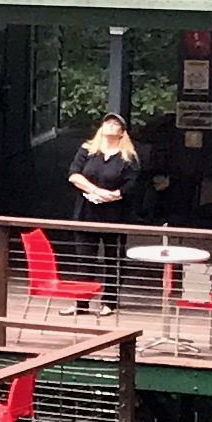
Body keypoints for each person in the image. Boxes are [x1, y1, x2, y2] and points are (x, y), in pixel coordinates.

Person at [68, 109, 144, 304]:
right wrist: (96, 191)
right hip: (87, 212)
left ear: (122, 132)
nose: (110, 125)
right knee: (85, 259)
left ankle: (109, 302)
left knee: (114, 259)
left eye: (115, 124)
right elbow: (74, 175)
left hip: (116, 214)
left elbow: (132, 183)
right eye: (107, 123)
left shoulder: (129, 157)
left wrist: (114, 195)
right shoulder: (87, 150)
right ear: (101, 128)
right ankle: (81, 302)